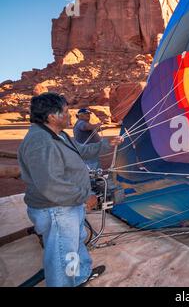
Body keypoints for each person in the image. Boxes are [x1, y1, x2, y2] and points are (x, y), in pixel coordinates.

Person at [18, 93, 124, 287]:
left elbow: (81, 151)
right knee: (62, 254)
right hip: (56, 208)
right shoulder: (41, 142)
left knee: (74, 244)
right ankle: (65, 283)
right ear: (52, 116)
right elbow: (50, 184)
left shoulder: (58, 134)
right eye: (66, 112)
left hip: (67, 205)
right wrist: (85, 196)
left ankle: (78, 276)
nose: (70, 116)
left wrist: (107, 144)